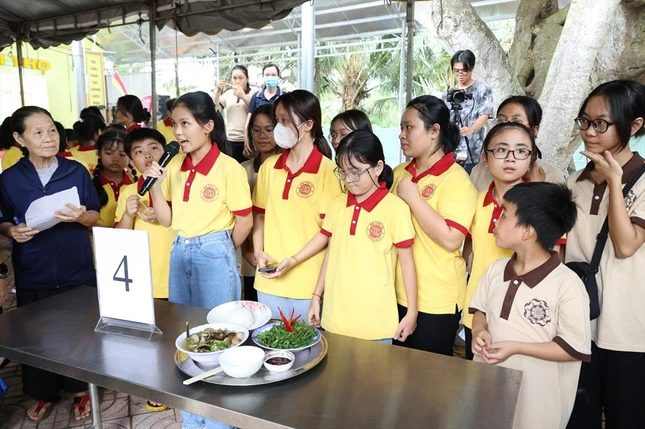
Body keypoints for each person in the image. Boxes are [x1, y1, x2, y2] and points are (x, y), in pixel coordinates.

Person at [144, 90, 252, 429]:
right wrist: (156, 185)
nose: (178, 132)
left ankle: (221, 421)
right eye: (174, 124)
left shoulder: (229, 168)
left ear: (207, 126)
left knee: (220, 336)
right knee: (186, 335)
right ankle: (193, 418)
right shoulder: (174, 164)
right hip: (180, 249)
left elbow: (245, 221)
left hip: (214, 251)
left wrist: (220, 249)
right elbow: (166, 220)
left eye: (185, 123)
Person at [0, 106, 100, 422]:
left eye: (52, 130)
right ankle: (43, 394)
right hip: (34, 268)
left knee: (79, 331)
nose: (48, 138)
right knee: (36, 335)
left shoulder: (76, 171)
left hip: (75, 266)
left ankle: (81, 390)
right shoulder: (9, 179)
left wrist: (81, 217)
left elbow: (94, 214)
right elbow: (2, 219)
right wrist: (11, 230)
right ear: (20, 139)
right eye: (38, 132)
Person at [470, 182, 590, 428]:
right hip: (490, 390)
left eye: (504, 215)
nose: (496, 221)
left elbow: (572, 348)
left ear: (527, 231)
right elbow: (480, 310)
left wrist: (516, 348)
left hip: (538, 402)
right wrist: (478, 330)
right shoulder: (495, 270)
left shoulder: (567, 285)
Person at [565, 80, 645, 429]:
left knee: (626, 418)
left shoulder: (643, 180)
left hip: (629, 332)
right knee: (578, 419)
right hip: (579, 326)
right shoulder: (575, 182)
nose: (589, 131)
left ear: (635, 125)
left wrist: (615, 182)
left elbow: (626, 246)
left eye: (601, 124)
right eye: (585, 121)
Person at [306, 130, 417, 343]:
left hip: (377, 325)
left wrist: (412, 312)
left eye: (356, 172)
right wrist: (316, 296)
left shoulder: (395, 208)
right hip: (334, 320)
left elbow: (407, 264)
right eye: (343, 172)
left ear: (378, 167)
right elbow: (331, 253)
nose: (348, 179)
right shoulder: (337, 205)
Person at [392, 95, 478, 355]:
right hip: (395, 291)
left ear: (434, 131)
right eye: (401, 128)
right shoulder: (399, 173)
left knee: (428, 375)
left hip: (436, 300)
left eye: (409, 127)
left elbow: (452, 239)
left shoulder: (456, 180)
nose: (402, 135)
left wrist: (413, 198)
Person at [252, 89, 341, 320]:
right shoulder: (269, 168)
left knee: (306, 343)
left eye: (286, 120)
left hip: (308, 286)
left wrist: (295, 260)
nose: (279, 127)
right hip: (268, 280)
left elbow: (327, 231)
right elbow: (259, 216)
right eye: (278, 120)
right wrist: (259, 252)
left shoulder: (328, 171)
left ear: (308, 125)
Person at [461, 122, 538, 359]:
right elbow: (467, 250)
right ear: (485, 159)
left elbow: (553, 259)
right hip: (476, 311)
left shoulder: (541, 206)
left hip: (521, 315)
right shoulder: (475, 201)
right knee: (475, 376)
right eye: (502, 150)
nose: (510, 158)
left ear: (530, 160)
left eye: (521, 151)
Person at [470, 96, 566, 191]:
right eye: (501, 121)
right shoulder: (479, 171)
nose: (507, 127)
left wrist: (535, 188)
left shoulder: (552, 176)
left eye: (517, 122)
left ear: (534, 131)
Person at [240, 105, 281, 301]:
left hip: (281, 255)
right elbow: (239, 216)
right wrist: (248, 252)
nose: (262, 136)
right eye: (256, 130)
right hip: (251, 258)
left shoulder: (287, 169)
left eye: (269, 129)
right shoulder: (243, 169)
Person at [442, 49, 493, 173]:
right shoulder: (448, 94)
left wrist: (472, 129)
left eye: (464, 70)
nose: (460, 74)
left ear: (471, 68)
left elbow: (485, 113)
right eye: (456, 71)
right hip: (452, 150)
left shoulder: (482, 89)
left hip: (474, 149)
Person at [92, 129, 133, 227]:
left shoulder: (134, 183)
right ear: (99, 153)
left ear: (130, 156)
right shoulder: (89, 182)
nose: (115, 158)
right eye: (109, 153)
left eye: (122, 154)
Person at [215, 65, 252, 163]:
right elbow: (216, 107)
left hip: (247, 139)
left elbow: (256, 109)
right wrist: (218, 90)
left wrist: (243, 96)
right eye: (234, 78)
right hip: (230, 139)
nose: (237, 81)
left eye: (241, 78)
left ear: (247, 79)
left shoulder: (253, 93)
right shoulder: (228, 94)